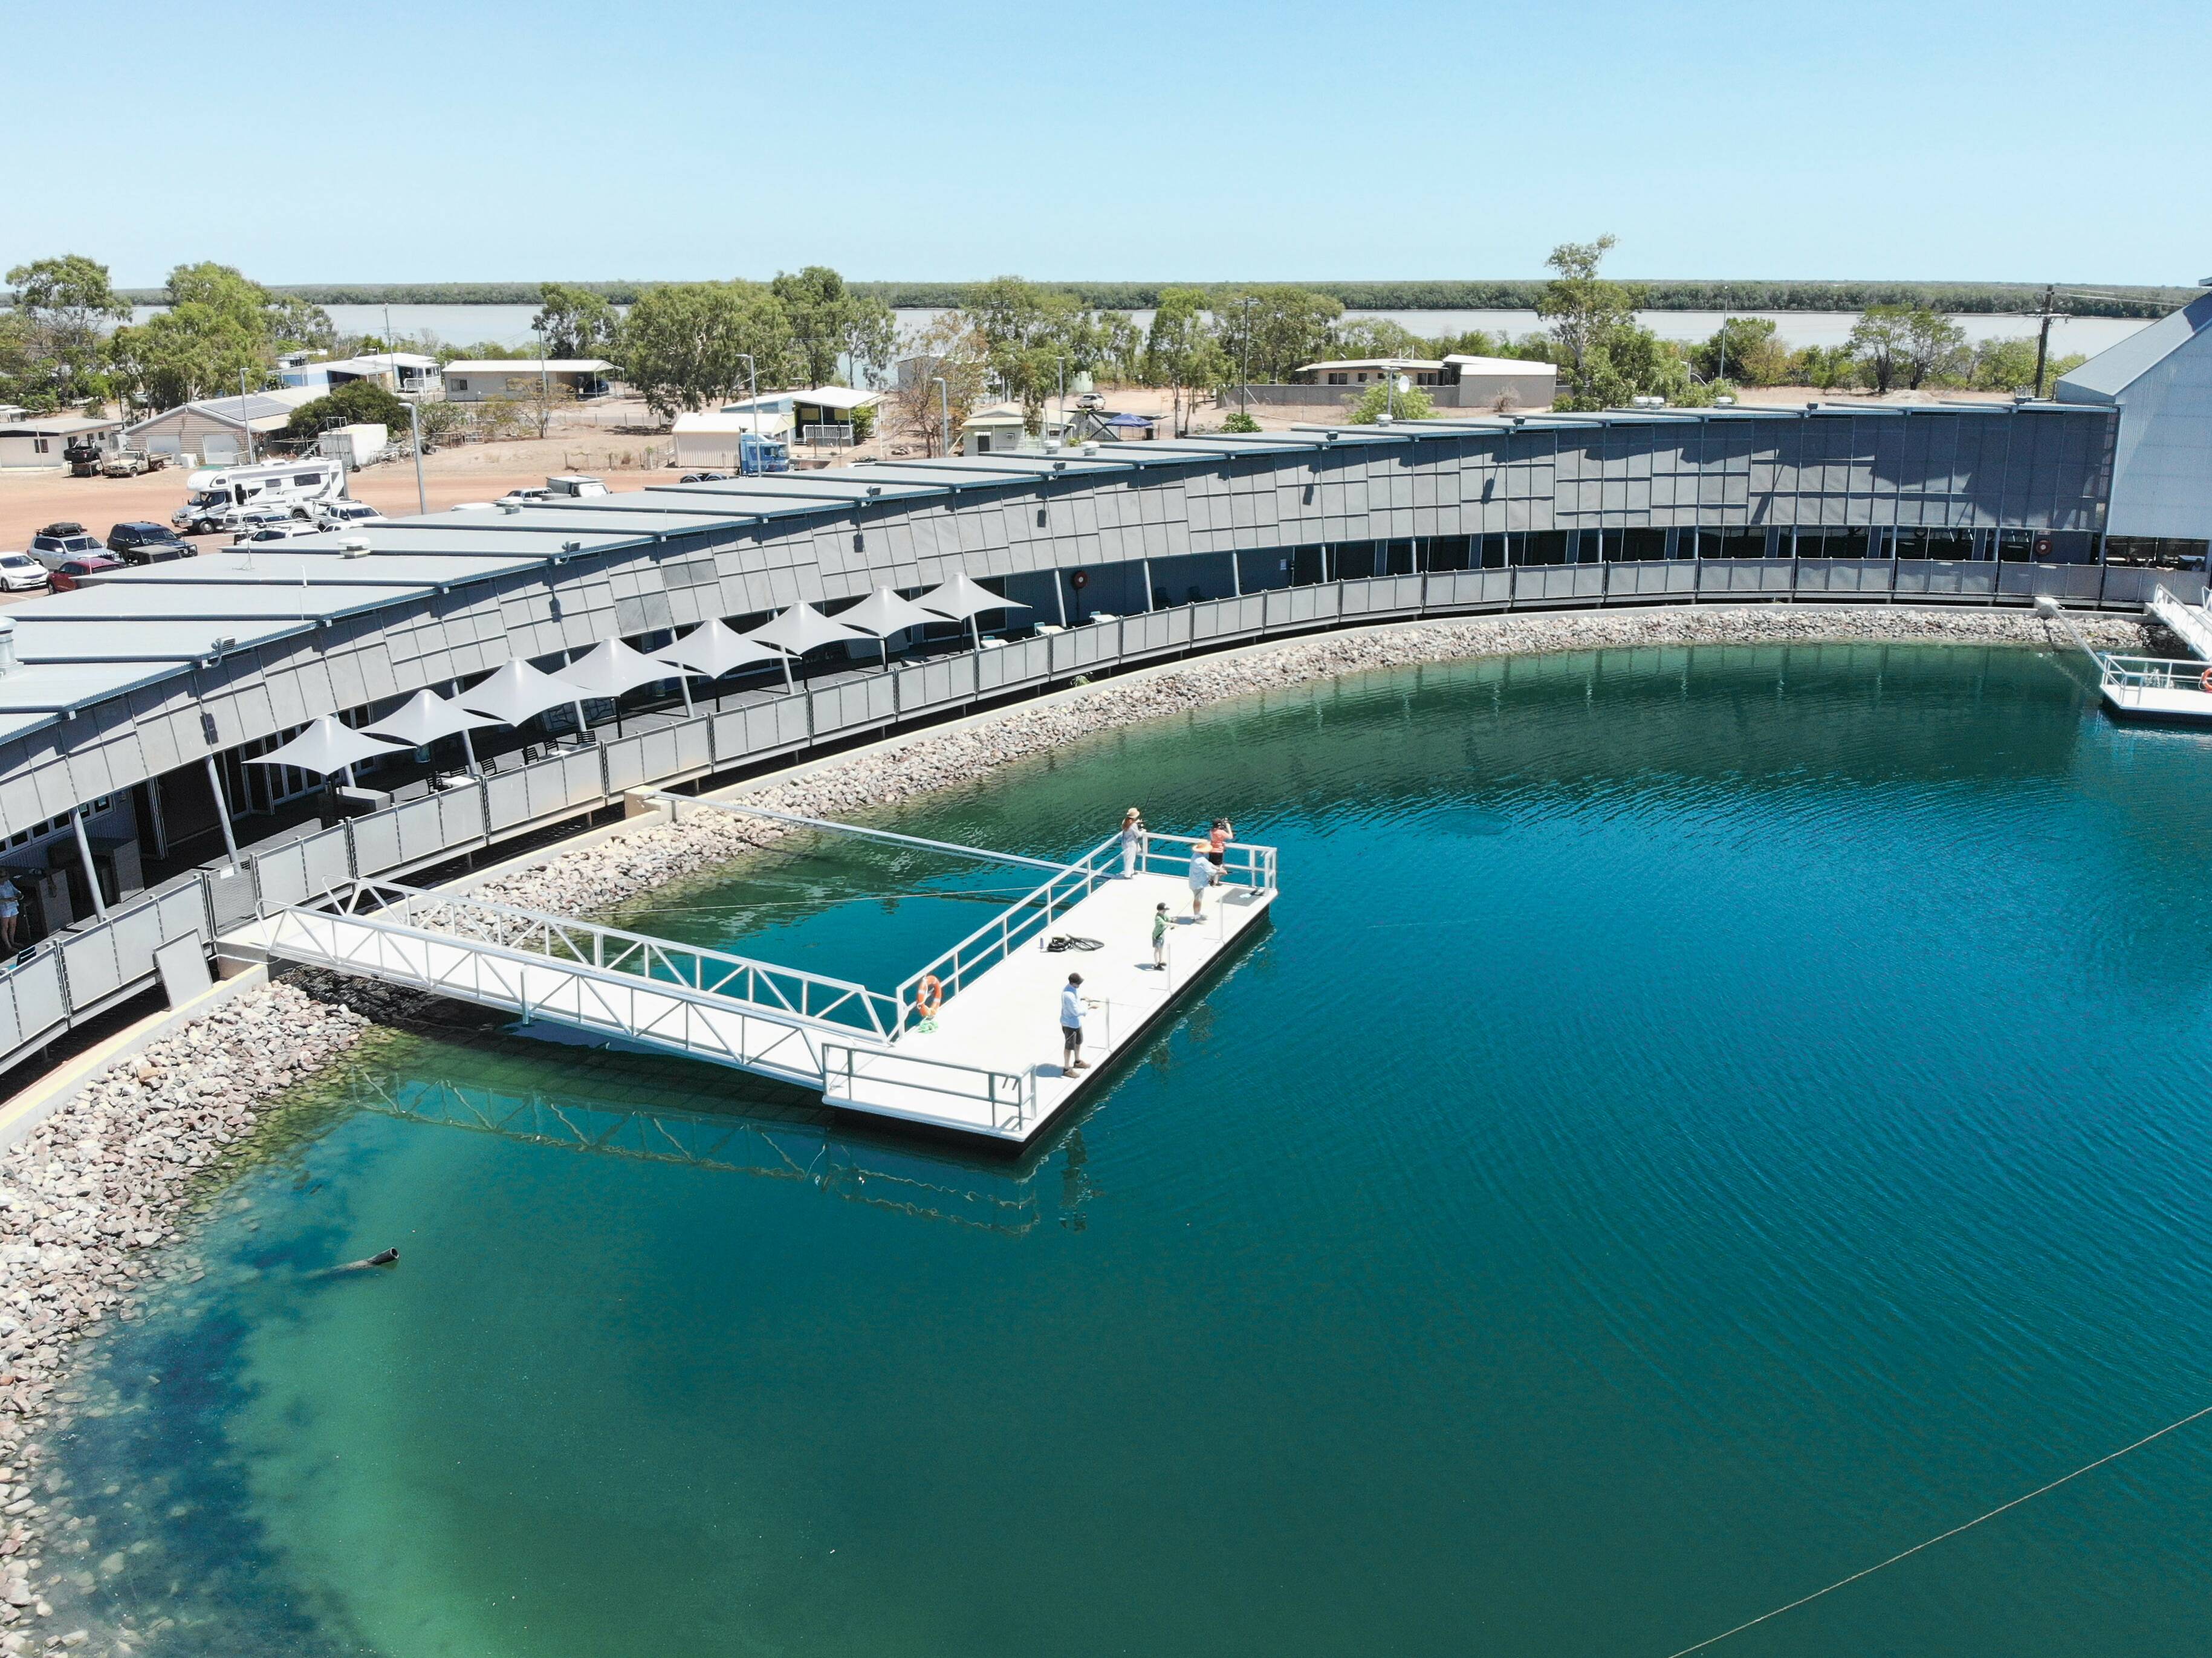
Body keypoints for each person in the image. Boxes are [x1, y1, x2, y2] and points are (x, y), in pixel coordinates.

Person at [1060, 972, 1087, 1072]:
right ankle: (1067, 1069)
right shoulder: (1068, 995)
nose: (1079, 985)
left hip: (1076, 1023)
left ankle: (1077, 1062)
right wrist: (1088, 1008)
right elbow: (1076, 1012)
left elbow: (1077, 998)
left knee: (1079, 1041)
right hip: (1069, 1025)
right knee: (1069, 1046)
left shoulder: (1074, 989)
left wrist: (1083, 998)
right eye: (1078, 983)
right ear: (1072, 983)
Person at [1187, 840, 1211, 918]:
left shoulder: (1196, 855)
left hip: (1195, 882)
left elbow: (1207, 865)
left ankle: (1198, 914)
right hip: (1198, 884)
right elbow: (1211, 872)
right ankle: (1197, 916)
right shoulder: (1202, 860)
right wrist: (1221, 872)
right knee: (1198, 900)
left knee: (1199, 899)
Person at [1118, 808, 1146, 878]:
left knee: (1129, 858)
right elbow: (1138, 835)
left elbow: (1129, 827)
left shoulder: (1125, 821)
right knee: (1130, 860)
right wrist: (1143, 831)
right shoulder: (1133, 825)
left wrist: (1137, 823)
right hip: (1131, 844)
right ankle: (1127, 875)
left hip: (1125, 842)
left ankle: (1132, 871)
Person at [1207, 818, 1233, 886]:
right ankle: (1215, 882)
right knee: (1218, 866)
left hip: (1211, 850)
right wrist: (1229, 827)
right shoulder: (1221, 832)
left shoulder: (1211, 831)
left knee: (1211, 866)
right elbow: (1230, 837)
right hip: (1218, 851)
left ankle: (1209, 880)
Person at [0, 875, 18, 951]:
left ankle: (13, 942)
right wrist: (7, 899)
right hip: (4, 908)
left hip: (13, 905)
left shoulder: (8, 882)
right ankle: (8, 946)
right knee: (5, 927)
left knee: (13, 925)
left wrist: (19, 894)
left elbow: (15, 890)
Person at [1150, 902, 1169, 970]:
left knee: (1161, 948)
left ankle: (1161, 961)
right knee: (1157, 950)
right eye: (1164, 910)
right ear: (1159, 910)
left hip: (1162, 935)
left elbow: (1169, 919)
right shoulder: (1158, 918)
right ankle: (1156, 964)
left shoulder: (1164, 915)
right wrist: (1174, 925)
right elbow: (1164, 923)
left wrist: (1172, 920)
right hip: (1157, 936)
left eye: (1165, 910)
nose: (1165, 911)